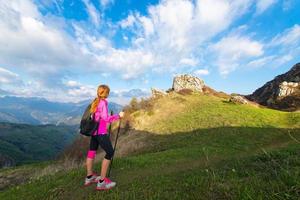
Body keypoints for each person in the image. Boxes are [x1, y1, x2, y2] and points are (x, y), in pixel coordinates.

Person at [84, 84, 124, 190]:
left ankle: (89, 177)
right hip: (101, 133)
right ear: (106, 93)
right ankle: (102, 182)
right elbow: (106, 119)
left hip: (93, 133)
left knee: (91, 152)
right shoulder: (103, 103)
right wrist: (118, 116)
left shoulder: (95, 102)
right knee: (110, 152)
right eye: (108, 92)